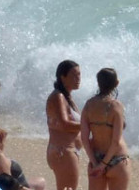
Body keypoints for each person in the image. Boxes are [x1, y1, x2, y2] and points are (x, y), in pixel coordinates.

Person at [81, 68, 131, 190]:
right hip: (117, 160)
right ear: (117, 83)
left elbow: (84, 138)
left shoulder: (89, 105)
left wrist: (95, 163)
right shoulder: (116, 106)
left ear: (98, 83)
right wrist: (103, 165)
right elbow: (115, 141)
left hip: (96, 158)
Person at [46, 60, 82, 190]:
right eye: (74, 75)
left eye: (79, 74)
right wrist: (89, 124)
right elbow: (65, 124)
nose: (78, 78)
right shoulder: (58, 96)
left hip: (65, 151)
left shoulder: (66, 97)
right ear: (63, 77)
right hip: (63, 151)